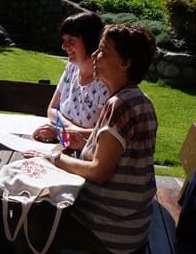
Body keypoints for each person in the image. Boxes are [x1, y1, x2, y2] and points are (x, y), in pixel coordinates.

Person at [23, 23, 158, 253]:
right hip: (133, 225)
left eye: (103, 51)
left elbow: (98, 171)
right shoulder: (140, 100)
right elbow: (120, 156)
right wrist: (84, 142)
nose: (95, 55)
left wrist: (52, 156)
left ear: (125, 63)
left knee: (30, 213)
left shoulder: (119, 105)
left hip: (109, 232)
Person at [33, 12, 108, 144]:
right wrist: (68, 129)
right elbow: (52, 109)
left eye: (71, 41)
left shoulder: (105, 83)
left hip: (86, 155)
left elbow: (104, 133)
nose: (64, 46)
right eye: (64, 41)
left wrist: (62, 133)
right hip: (63, 144)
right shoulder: (71, 69)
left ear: (90, 42)